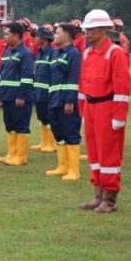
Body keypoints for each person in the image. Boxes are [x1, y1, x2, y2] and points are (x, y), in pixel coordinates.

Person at [77, 9, 131, 213]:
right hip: (91, 107)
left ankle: (109, 198)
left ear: (103, 30)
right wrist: (83, 111)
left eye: (91, 29)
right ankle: (98, 194)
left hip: (107, 108)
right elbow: (83, 84)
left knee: (109, 153)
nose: (87, 33)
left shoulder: (115, 53)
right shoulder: (87, 53)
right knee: (94, 152)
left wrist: (118, 116)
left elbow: (122, 87)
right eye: (86, 29)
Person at [44, 23, 83, 181]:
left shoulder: (73, 54)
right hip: (54, 99)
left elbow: (74, 78)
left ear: (66, 36)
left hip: (66, 101)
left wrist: (70, 101)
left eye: (57, 33)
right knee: (58, 132)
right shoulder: (55, 53)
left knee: (70, 133)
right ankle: (63, 166)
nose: (54, 35)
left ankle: (74, 170)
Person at [0, 21, 35, 167]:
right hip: (7, 96)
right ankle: (11, 153)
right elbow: (2, 75)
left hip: (19, 97)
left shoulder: (26, 54)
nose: (4, 37)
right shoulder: (6, 53)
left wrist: (21, 96)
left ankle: (21, 156)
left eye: (7, 34)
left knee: (21, 125)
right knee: (10, 125)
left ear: (16, 35)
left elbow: (27, 77)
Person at [29, 25, 58, 154]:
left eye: (37, 36)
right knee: (42, 116)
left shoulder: (52, 53)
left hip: (48, 91)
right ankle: (44, 141)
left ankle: (51, 143)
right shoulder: (40, 52)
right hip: (39, 91)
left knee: (49, 117)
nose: (35, 38)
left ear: (45, 38)